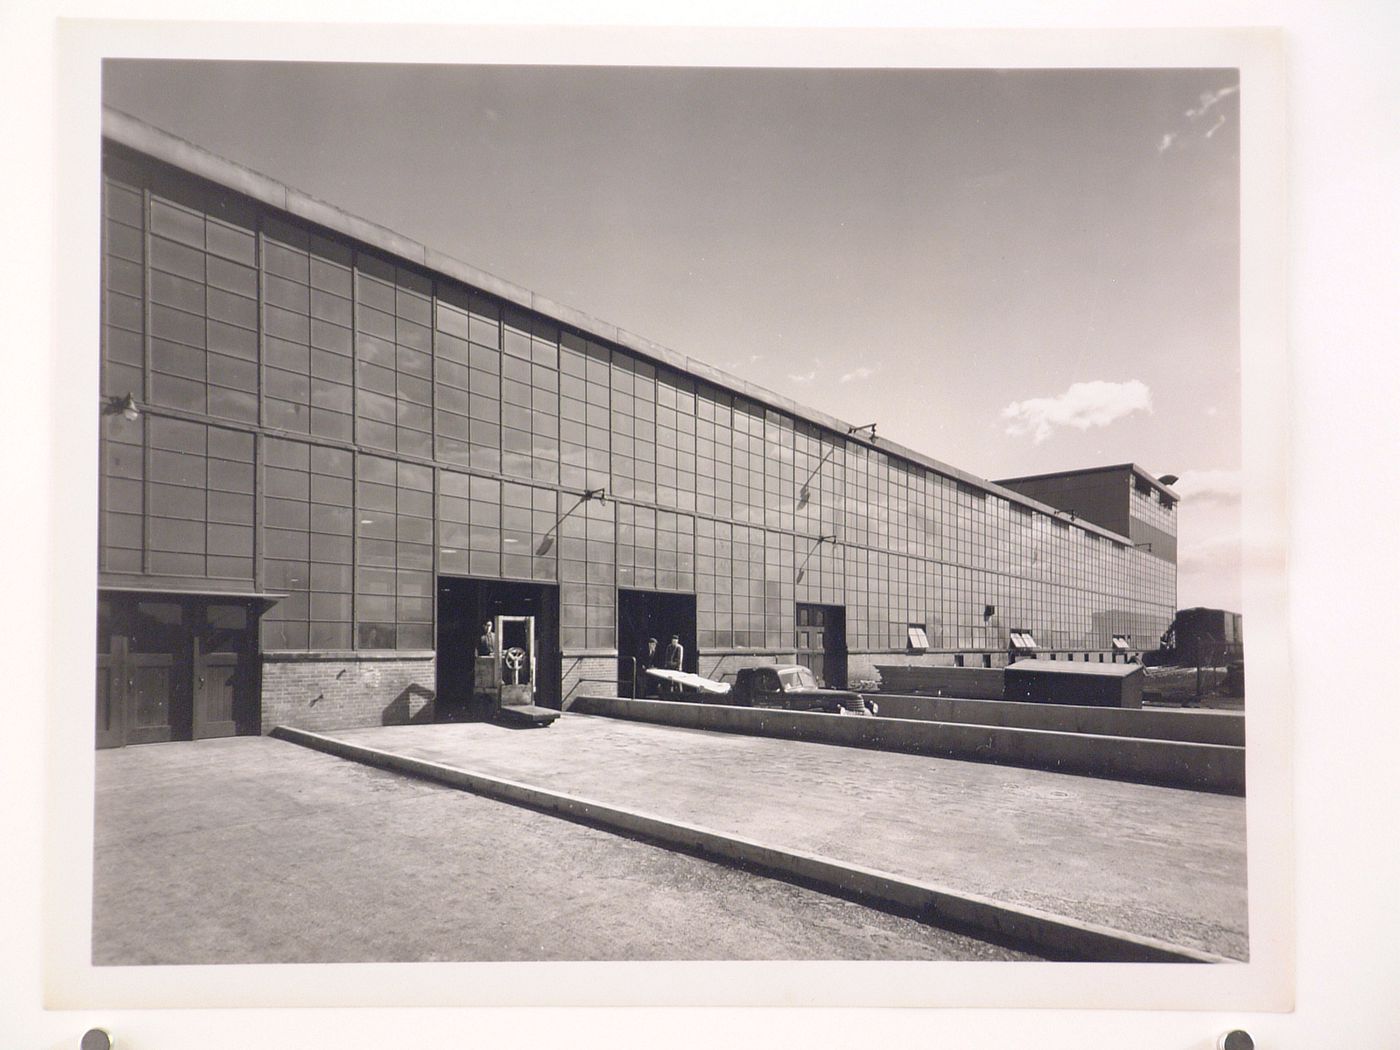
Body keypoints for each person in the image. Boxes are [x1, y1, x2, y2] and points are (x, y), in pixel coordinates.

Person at [662, 634, 684, 698]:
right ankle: (670, 695)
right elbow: (667, 657)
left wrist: (677, 666)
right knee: (670, 682)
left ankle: (680, 695)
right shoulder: (669, 647)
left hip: (676, 668)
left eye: (675, 642)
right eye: (673, 641)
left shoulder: (679, 648)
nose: (674, 643)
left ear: (677, 641)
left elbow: (679, 659)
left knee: (677, 682)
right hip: (669, 667)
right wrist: (667, 664)